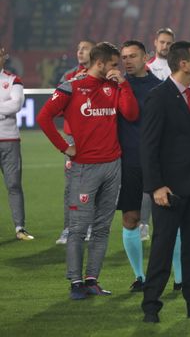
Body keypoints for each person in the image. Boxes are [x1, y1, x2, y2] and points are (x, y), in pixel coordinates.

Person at [37, 42, 139, 300]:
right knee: (78, 228)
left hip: (113, 164)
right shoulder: (72, 86)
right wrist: (64, 147)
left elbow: (131, 113)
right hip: (84, 167)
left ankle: (92, 279)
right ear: (101, 63)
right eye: (114, 64)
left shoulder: (114, 86)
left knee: (102, 227)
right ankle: (75, 282)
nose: (118, 69)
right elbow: (44, 117)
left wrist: (123, 85)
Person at [140, 41, 190, 323]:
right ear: (183, 64)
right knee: (162, 249)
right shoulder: (158, 97)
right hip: (169, 190)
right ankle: (151, 306)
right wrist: (155, 187)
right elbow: (148, 146)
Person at [116, 40, 162, 292]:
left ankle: (178, 278)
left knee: (167, 221)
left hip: (158, 163)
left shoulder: (161, 88)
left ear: (146, 57)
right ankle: (139, 276)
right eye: (124, 57)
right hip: (129, 163)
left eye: (133, 56)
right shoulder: (116, 87)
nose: (128, 61)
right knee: (130, 218)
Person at [56, 39, 95, 245]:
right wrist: (75, 84)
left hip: (96, 138)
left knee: (92, 185)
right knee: (71, 185)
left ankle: (88, 227)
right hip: (73, 139)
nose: (80, 52)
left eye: (85, 49)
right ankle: (68, 229)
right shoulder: (69, 76)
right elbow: (59, 107)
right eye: (78, 49)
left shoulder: (102, 75)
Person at [141, 27, 175, 239]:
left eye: (169, 43)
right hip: (154, 130)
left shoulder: (177, 68)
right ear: (155, 43)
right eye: (162, 42)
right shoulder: (147, 69)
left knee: (172, 179)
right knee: (150, 178)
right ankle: (144, 223)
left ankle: (170, 223)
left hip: (173, 133)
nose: (165, 46)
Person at [0, 47, 32, 240]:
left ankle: (20, 228)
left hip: (10, 140)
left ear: (3, 57)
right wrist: (4, 110)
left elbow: (17, 105)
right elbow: (9, 106)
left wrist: (6, 109)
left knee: (13, 184)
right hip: (9, 136)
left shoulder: (13, 79)